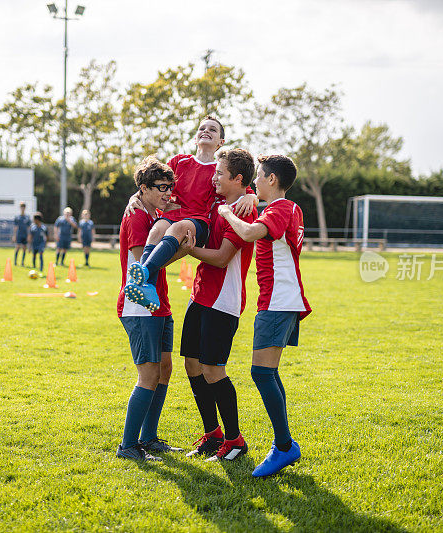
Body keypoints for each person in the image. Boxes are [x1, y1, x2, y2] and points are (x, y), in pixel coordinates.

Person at [216, 154, 311, 478]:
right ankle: (285, 444)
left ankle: (284, 446)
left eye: (258, 176)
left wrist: (227, 211)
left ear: (272, 179)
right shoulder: (288, 208)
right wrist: (250, 201)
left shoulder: (281, 208)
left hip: (278, 302)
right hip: (281, 300)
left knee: (261, 373)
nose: (254, 181)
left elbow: (249, 233)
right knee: (267, 373)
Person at [124, 116, 257, 311]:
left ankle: (143, 273)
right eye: (202, 128)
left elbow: (241, 187)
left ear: (221, 142)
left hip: (198, 221)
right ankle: (146, 284)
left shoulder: (219, 171)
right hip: (172, 216)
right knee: (157, 229)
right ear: (195, 138)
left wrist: (251, 197)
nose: (206, 131)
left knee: (178, 228)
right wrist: (134, 196)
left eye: (212, 130)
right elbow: (155, 180)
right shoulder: (179, 161)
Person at [182, 148, 257, 462]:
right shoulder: (218, 201)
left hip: (223, 300)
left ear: (237, 179)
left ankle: (235, 440)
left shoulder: (244, 211)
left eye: (219, 174)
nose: (212, 178)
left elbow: (224, 258)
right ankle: (212, 434)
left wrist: (190, 249)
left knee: (214, 369)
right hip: (199, 295)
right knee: (192, 364)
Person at [116, 156, 192, 462]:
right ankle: (128, 446)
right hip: (139, 307)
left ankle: (148, 438)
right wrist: (182, 251)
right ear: (143, 189)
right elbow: (142, 266)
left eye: (169, 188)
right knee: (147, 376)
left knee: (164, 370)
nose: (167, 193)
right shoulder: (136, 217)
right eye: (161, 187)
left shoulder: (152, 215)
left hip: (159, 305)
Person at [12, 201, 30, 267]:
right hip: (19, 235)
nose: (22, 208)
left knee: (24, 248)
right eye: (21, 207)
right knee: (17, 247)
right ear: (20, 208)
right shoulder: (17, 217)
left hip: (25, 235)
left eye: (24, 207)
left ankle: (22, 262)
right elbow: (15, 227)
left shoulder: (27, 217)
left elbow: (29, 227)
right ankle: (15, 262)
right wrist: (14, 235)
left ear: (25, 208)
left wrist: (28, 235)